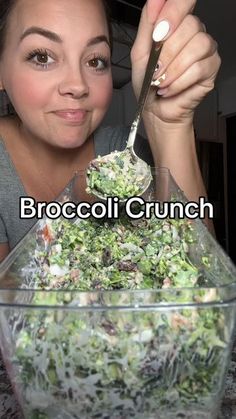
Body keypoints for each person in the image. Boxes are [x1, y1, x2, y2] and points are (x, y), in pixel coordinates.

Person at [0, 0, 220, 263]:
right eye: (42, 57)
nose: (78, 85)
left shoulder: (130, 154)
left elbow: (199, 282)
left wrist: (170, 125)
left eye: (95, 61)